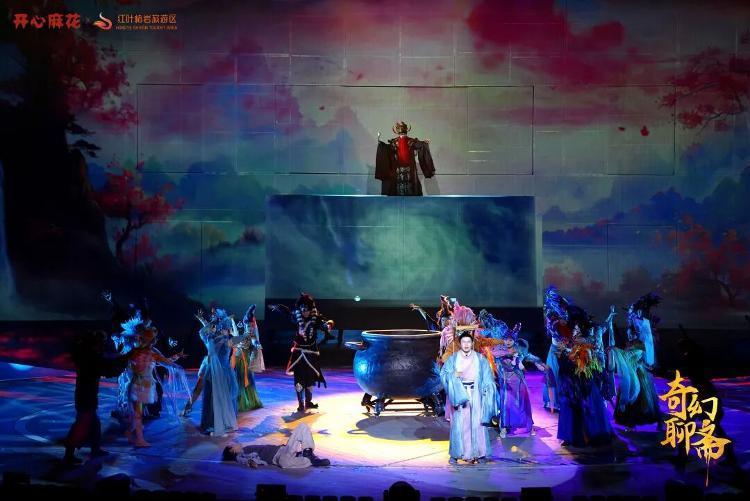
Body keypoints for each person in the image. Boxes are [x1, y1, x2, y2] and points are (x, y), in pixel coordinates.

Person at [117, 314, 189, 447]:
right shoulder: (136, 352)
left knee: (138, 412)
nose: (152, 342)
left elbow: (167, 362)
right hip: (138, 386)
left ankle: (130, 432)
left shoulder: (151, 353)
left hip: (145, 386)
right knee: (138, 413)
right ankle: (139, 439)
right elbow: (121, 361)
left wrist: (177, 356)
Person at [63, 330, 127, 465]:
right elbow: (107, 369)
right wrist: (123, 362)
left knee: (94, 424)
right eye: (101, 343)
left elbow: (105, 362)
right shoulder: (89, 358)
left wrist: (120, 358)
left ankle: (94, 449)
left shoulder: (87, 356)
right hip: (86, 397)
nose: (103, 346)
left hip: (86, 396)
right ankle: (69, 456)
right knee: (81, 426)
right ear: (94, 344)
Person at [481, 310, 545, 438]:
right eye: (506, 339)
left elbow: (528, 356)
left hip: (519, 381)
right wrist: (508, 353)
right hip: (506, 382)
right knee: (506, 405)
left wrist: (539, 362)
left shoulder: (519, 350)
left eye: (510, 340)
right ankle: (504, 428)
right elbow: (494, 353)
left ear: (514, 340)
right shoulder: (499, 350)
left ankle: (529, 426)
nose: (508, 342)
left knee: (523, 404)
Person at [555, 307, 613, 447]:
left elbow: (590, 360)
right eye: (573, 329)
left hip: (586, 379)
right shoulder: (570, 341)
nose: (574, 332)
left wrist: (572, 354)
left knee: (589, 405)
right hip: (572, 380)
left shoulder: (589, 341)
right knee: (568, 404)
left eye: (577, 329)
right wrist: (562, 355)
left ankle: (592, 435)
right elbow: (566, 362)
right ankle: (570, 435)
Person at [270, 293, 334, 413]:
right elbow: (287, 313)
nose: (304, 312)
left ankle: (308, 402)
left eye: (307, 310)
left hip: (311, 353)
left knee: (310, 379)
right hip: (298, 354)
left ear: (310, 310)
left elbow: (327, 323)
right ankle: (300, 403)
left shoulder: (316, 319)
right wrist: (279, 307)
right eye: (302, 309)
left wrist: (329, 324)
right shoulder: (296, 317)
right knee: (299, 379)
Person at [440, 331, 497, 465]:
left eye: (468, 342)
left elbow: (488, 378)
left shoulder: (480, 359)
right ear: (460, 344)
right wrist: (453, 376)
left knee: (478, 424)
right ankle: (456, 454)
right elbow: (444, 374)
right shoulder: (453, 359)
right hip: (460, 393)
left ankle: (480, 453)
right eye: (463, 342)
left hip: (476, 394)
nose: (466, 344)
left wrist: (488, 389)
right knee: (459, 424)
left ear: (472, 343)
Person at [611, 293, 662, 431]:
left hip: (638, 364)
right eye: (631, 312)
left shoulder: (643, 325)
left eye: (633, 311)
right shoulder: (633, 325)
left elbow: (647, 344)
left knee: (640, 393)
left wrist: (642, 359)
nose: (631, 314)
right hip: (631, 360)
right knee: (630, 390)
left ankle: (645, 420)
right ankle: (629, 422)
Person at [199, 309, 250, 436]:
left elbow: (202, 332)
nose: (227, 330)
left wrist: (207, 322)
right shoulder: (220, 339)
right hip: (221, 373)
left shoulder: (212, 338)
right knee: (220, 398)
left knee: (217, 398)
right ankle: (219, 423)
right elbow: (243, 339)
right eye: (227, 327)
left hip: (217, 373)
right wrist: (245, 334)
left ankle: (214, 423)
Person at [222, 423, 330, 468]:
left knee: (302, 426)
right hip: (277, 458)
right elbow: (246, 461)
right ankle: (309, 460)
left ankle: (308, 453)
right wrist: (251, 462)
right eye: (232, 445)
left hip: (283, 449)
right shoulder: (241, 456)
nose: (234, 442)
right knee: (284, 462)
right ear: (232, 450)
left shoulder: (245, 447)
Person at [375, 121, 435, 196]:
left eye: (403, 129)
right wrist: (381, 144)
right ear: (398, 131)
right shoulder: (394, 142)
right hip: (397, 168)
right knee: (397, 186)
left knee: (410, 186)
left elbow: (419, 145)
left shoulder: (411, 141)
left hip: (410, 168)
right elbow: (388, 149)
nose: (402, 133)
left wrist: (424, 143)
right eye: (400, 129)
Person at [235, 304, 263, 412]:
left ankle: (247, 402)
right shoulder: (243, 335)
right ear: (245, 325)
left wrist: (257, 344)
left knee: (246, 382)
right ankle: (240, 401)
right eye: (248, 326)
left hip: (245, 363)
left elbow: (255, 341)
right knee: (240, 382)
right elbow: (232, 342)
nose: (250, 328)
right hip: (238, 361)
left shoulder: (252, 337)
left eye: (252, 326)